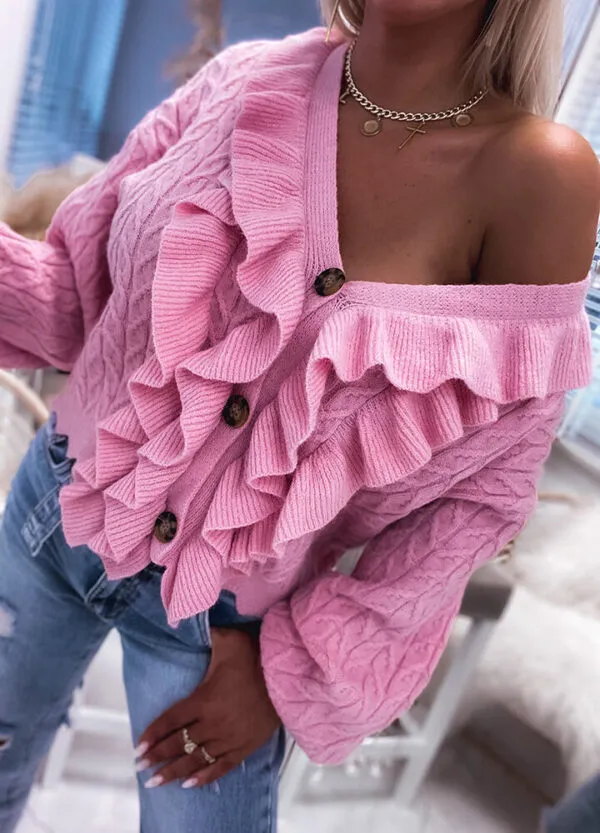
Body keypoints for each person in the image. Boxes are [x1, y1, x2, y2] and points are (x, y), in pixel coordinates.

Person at [0, 1, 599, 831]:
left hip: (218, 631)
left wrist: (288, 672)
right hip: (55, 511)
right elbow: (77, 291)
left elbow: (481, 495)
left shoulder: (542, 176)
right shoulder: (243, 80)